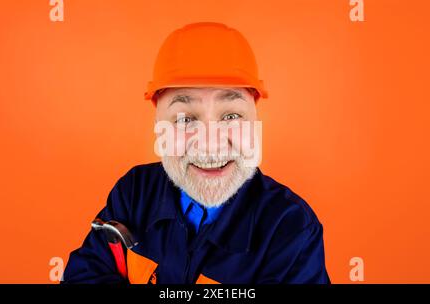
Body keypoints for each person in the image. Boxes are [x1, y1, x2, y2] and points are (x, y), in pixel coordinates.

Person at [62, 22, 330, 284]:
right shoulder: (133, 193)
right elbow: (84, 273)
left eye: (231, 115)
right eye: (185, 119)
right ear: (158, 126)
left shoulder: (291, 227)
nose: (210, 144)